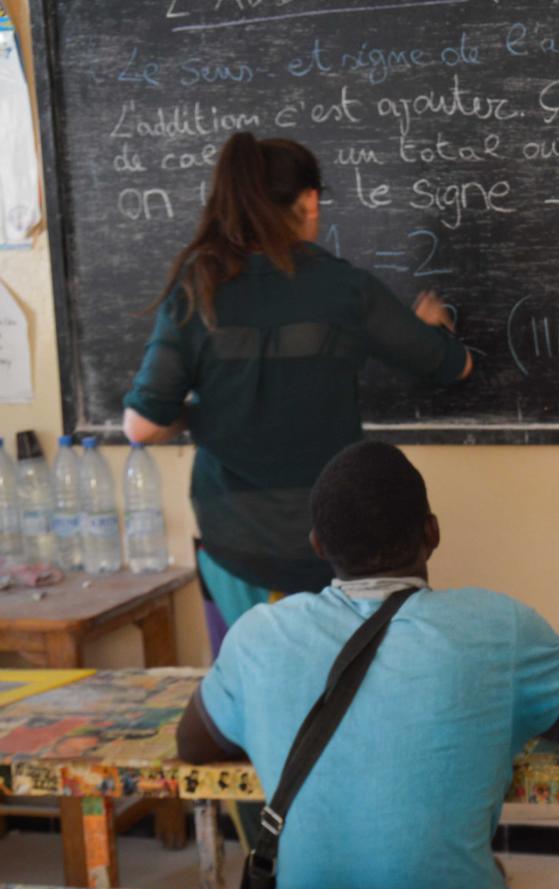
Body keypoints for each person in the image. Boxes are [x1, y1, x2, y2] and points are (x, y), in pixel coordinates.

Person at [175, 440, 559, 889]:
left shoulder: (259, 636)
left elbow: (192, 746)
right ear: (433, 533)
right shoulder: (498, 627)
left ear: (318, 545)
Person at [122, 132, 472, 638]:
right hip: (331, 546)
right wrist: (433, 326)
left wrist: (201, 408)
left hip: (232, 544)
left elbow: (142, 426)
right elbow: (452, 365)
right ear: (307, 200)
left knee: (247, 690)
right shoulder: (344, 288)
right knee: (334, 694)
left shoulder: (198, 288)